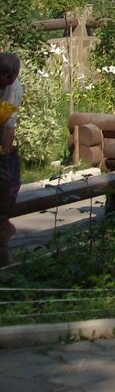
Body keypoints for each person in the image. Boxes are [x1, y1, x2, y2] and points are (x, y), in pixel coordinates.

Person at [0, 52, 24, 266]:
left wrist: (5, 153)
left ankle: (4, 223)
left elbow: (9, 126)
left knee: (10, 180)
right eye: (8, 78)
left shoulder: (14, 88)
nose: (12, 81)